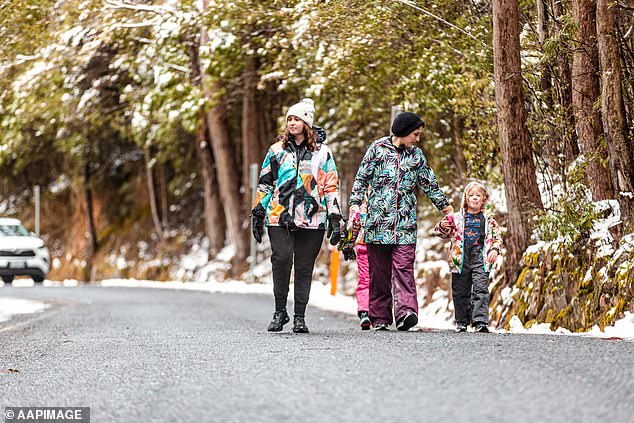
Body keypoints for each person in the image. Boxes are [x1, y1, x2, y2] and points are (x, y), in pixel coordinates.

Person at [347, 111, 453, 331]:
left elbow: (429, 183)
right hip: (377, 224)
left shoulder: (416, 156)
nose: (417, 138)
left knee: (404, 269)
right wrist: (355, 204)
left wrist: (446, 208)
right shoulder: (376, 150)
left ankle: (406, 313)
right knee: (379, 274)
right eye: (415, 134)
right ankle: (379, 318)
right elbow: (361, 179)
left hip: (405, 225)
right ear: (403, 132)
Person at [251, 98, 342, 334]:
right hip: (279, 216)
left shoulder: (323, 153)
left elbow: (331, 186)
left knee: (303, 266)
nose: (292, 123)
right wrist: (258, 210)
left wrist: (334, 215)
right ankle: (280, 311)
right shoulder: (276, 150)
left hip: (313, 218)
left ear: (307, 123)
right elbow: (265, 182)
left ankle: (300, 316)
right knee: (281, 259)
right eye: (289, 119)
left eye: (297, 119)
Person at [432, 181, 503, 333]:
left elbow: (497, 237)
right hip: (460, 259)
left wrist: (495, 250)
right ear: (466, 198)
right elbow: (439, 232)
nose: (475, 198)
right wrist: (443, 227)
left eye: (479, 195)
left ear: (484, 199)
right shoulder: (456, 218)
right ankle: (462, 321)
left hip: (480, 257)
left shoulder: (489, 220)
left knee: (481, 289)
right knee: (460, 290)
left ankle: (480, 321)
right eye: (471, 195)